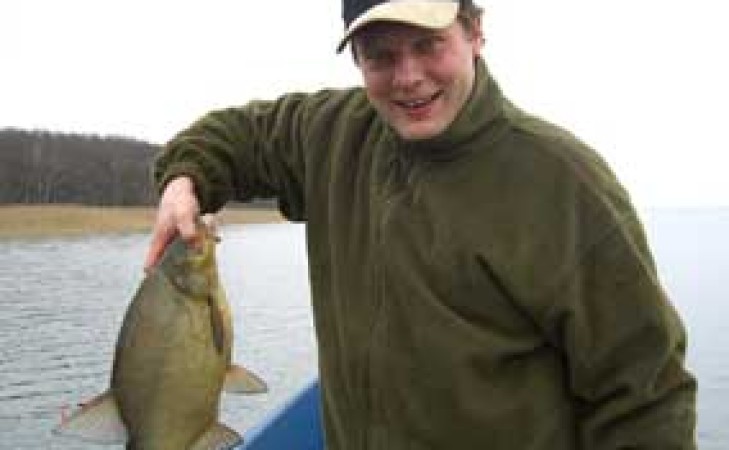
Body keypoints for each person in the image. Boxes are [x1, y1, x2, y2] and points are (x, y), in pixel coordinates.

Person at [145, 0, 697, 448]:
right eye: (380, 56)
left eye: (429, 44)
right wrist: (184, 179)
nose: (408, 78)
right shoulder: (333, 133)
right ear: (356, 59)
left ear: (475, 32)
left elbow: (645, 392)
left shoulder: (563, 183)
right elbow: (238, 136)